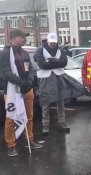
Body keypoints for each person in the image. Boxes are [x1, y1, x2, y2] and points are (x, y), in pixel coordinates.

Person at [0, 29, 43, 157]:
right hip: (12, 92)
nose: (25, 39)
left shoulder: (24, 52)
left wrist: (29, 81)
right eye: (22, 37)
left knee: (29, 117)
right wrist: (21, 82)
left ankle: (29, 139)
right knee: (11, 118)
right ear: (13, 39)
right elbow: (6, 73)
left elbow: (30, 69)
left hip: (27, 90)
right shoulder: (5, 54)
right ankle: (11, 145)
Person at [34, 33, 73, 135]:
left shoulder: (60, 49)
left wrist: (50, 61)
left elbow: (64, 63)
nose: (52, 44)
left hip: (58, 77)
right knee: (45, 102)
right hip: (45, 78)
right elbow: (42, 65)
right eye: (51, 42)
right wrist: (57, 62)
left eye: (54, 43)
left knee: (60, 101)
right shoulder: (40, 49)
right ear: (47, 41)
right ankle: (45, 126)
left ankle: (62, 123)